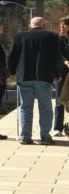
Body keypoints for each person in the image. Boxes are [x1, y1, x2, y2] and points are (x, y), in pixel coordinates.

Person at [6, 16, 63, 145]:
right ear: (43, 25)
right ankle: (45, 136)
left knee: (25, 107)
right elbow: (57, 57)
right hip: (44, 76)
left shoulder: (19, 37)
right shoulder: (52, 36)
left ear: (30, 25)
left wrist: (12, 71)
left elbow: (11, 57)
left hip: (24, 76)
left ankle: (25, 136)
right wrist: (58, 73)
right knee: (46, 107)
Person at [54, 17, 69, 137]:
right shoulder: (58, 39)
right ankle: (57, 128)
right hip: (62, 72)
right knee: (59, 100)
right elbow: (57, 54)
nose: (62, 27)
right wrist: (66, 61)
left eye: (64, 25)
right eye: (61, 25)